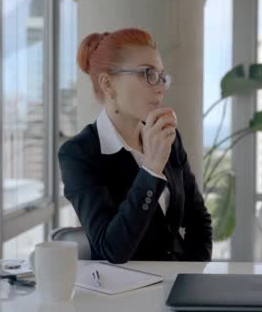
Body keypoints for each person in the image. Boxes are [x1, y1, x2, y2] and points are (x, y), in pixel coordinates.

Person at [59, 28, 212, 263]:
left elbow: (199, 222)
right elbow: (112, 249)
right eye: (148, 73)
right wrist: (151, 169)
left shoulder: (168, 137)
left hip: (177, 286)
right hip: (122, 295)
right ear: (108, 84)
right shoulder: (79, 155)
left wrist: (190, 277)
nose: (160, 86)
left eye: (162, 76)